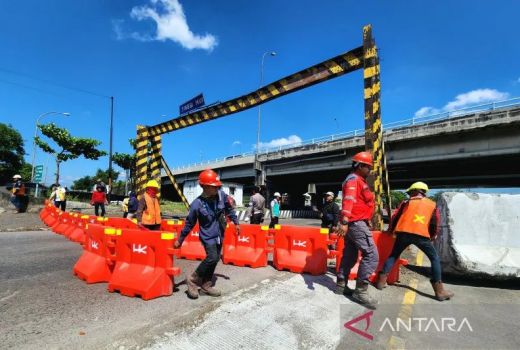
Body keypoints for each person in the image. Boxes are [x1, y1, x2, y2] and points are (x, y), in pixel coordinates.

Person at [376, 182, 454, 301]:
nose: (409, 195)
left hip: (402, 233)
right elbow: (434, 222)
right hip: (421, 235)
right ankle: (439, 291)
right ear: (423, 192)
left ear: (415, 191)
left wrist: (391, 230)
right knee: (434, 259)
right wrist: (432, 235)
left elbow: (395, 217)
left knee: (393, 255)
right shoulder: (431, 204)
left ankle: (381, 282)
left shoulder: (406, 203)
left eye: (410, 192)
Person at [174, 169, 240, 299]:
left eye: (217, 186)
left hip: (219, 234)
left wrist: (236, 222)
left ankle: (206, 285)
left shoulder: (221, 196)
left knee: (215, 259)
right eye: (213, 186)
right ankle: (192, 279)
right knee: (212, 257)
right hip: (207, 235)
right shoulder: (197, 204)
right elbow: (189, 224)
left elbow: (229, 209)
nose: (217, 188)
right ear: (203, 186)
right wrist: (180, 239)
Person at [336, 151, 378, 309]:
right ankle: (361, 291)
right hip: (354, 223)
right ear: (360, 166)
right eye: (368, 167)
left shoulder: (357, 179)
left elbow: (360, 203)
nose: (369, 170)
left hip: (356, 222)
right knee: (372, 255)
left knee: (350, 254)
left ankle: (341, 284)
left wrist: (366, 219)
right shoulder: (354, 180)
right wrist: (345, 220)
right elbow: (349, 200)